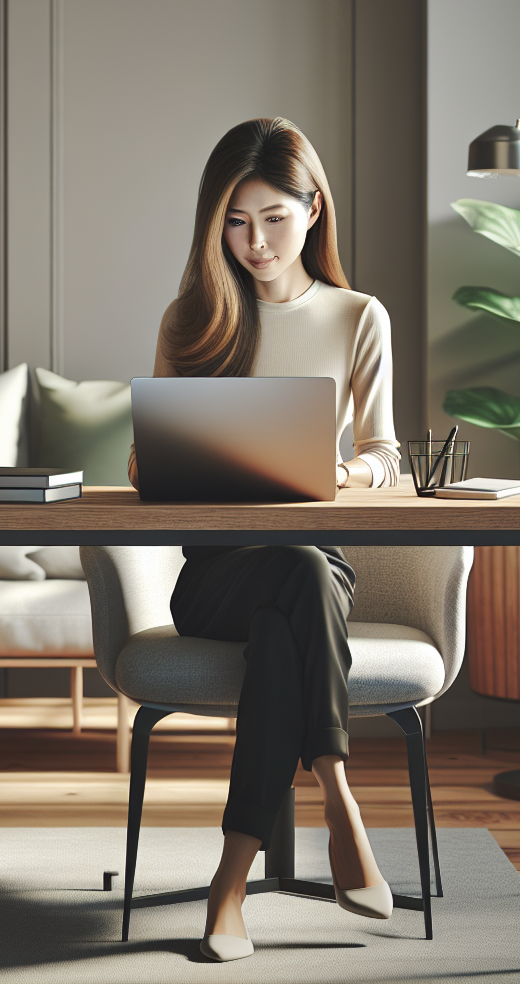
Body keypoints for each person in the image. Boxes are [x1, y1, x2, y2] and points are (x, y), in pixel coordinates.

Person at [128, 117, 401, 962]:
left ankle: (229, 887)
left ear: (314, 209)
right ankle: (340, 794)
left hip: (315, 568)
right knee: (294, 579)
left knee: (294, 602)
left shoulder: (358, 317)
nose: (254, 242)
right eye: (236, 222)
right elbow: (146, 463)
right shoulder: (193, 321)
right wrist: (152, 456)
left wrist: (337, 473)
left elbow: (385, 455)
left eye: (274, 218)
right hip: (214, 576)